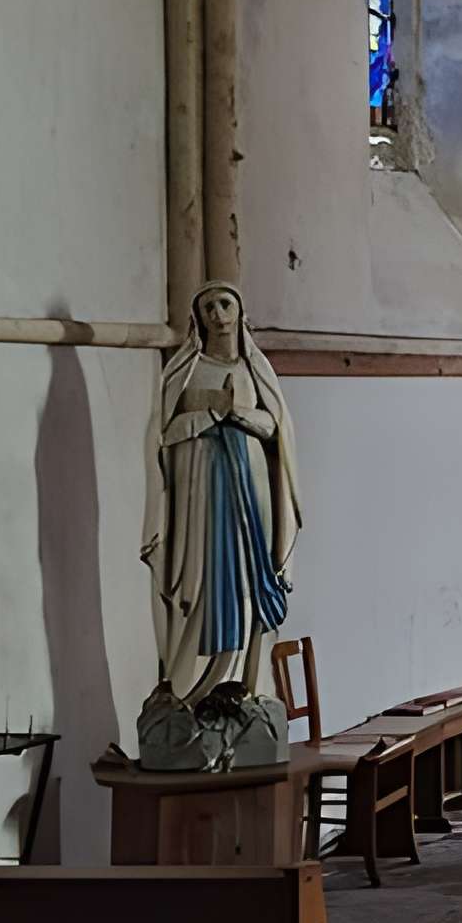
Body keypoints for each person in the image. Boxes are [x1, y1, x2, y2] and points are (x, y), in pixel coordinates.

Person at [142, 281, 302, 704]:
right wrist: (208, 417)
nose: (217, 313)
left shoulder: (256, 371)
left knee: (249, 584)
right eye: (208, 306)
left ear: (239, 311)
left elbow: (277, 431)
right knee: (200, 587)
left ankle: (245, 692)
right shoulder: (184, 372)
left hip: (249, 498)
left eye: (224, 303)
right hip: (199, 503)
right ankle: (191, 695)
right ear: (198, 316)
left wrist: (240, 415)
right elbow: (162, 438)